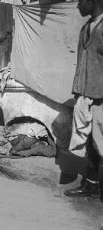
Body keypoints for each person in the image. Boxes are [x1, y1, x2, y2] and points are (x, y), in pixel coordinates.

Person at [64, 0, 103, 202]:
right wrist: (77, 91)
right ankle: (91, 185)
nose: (78, 5)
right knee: (90, 143)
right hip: (85, 94)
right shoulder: (86, 28)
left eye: (81, 1)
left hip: (101, 96)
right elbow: (81, 63)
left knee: (101, 142)